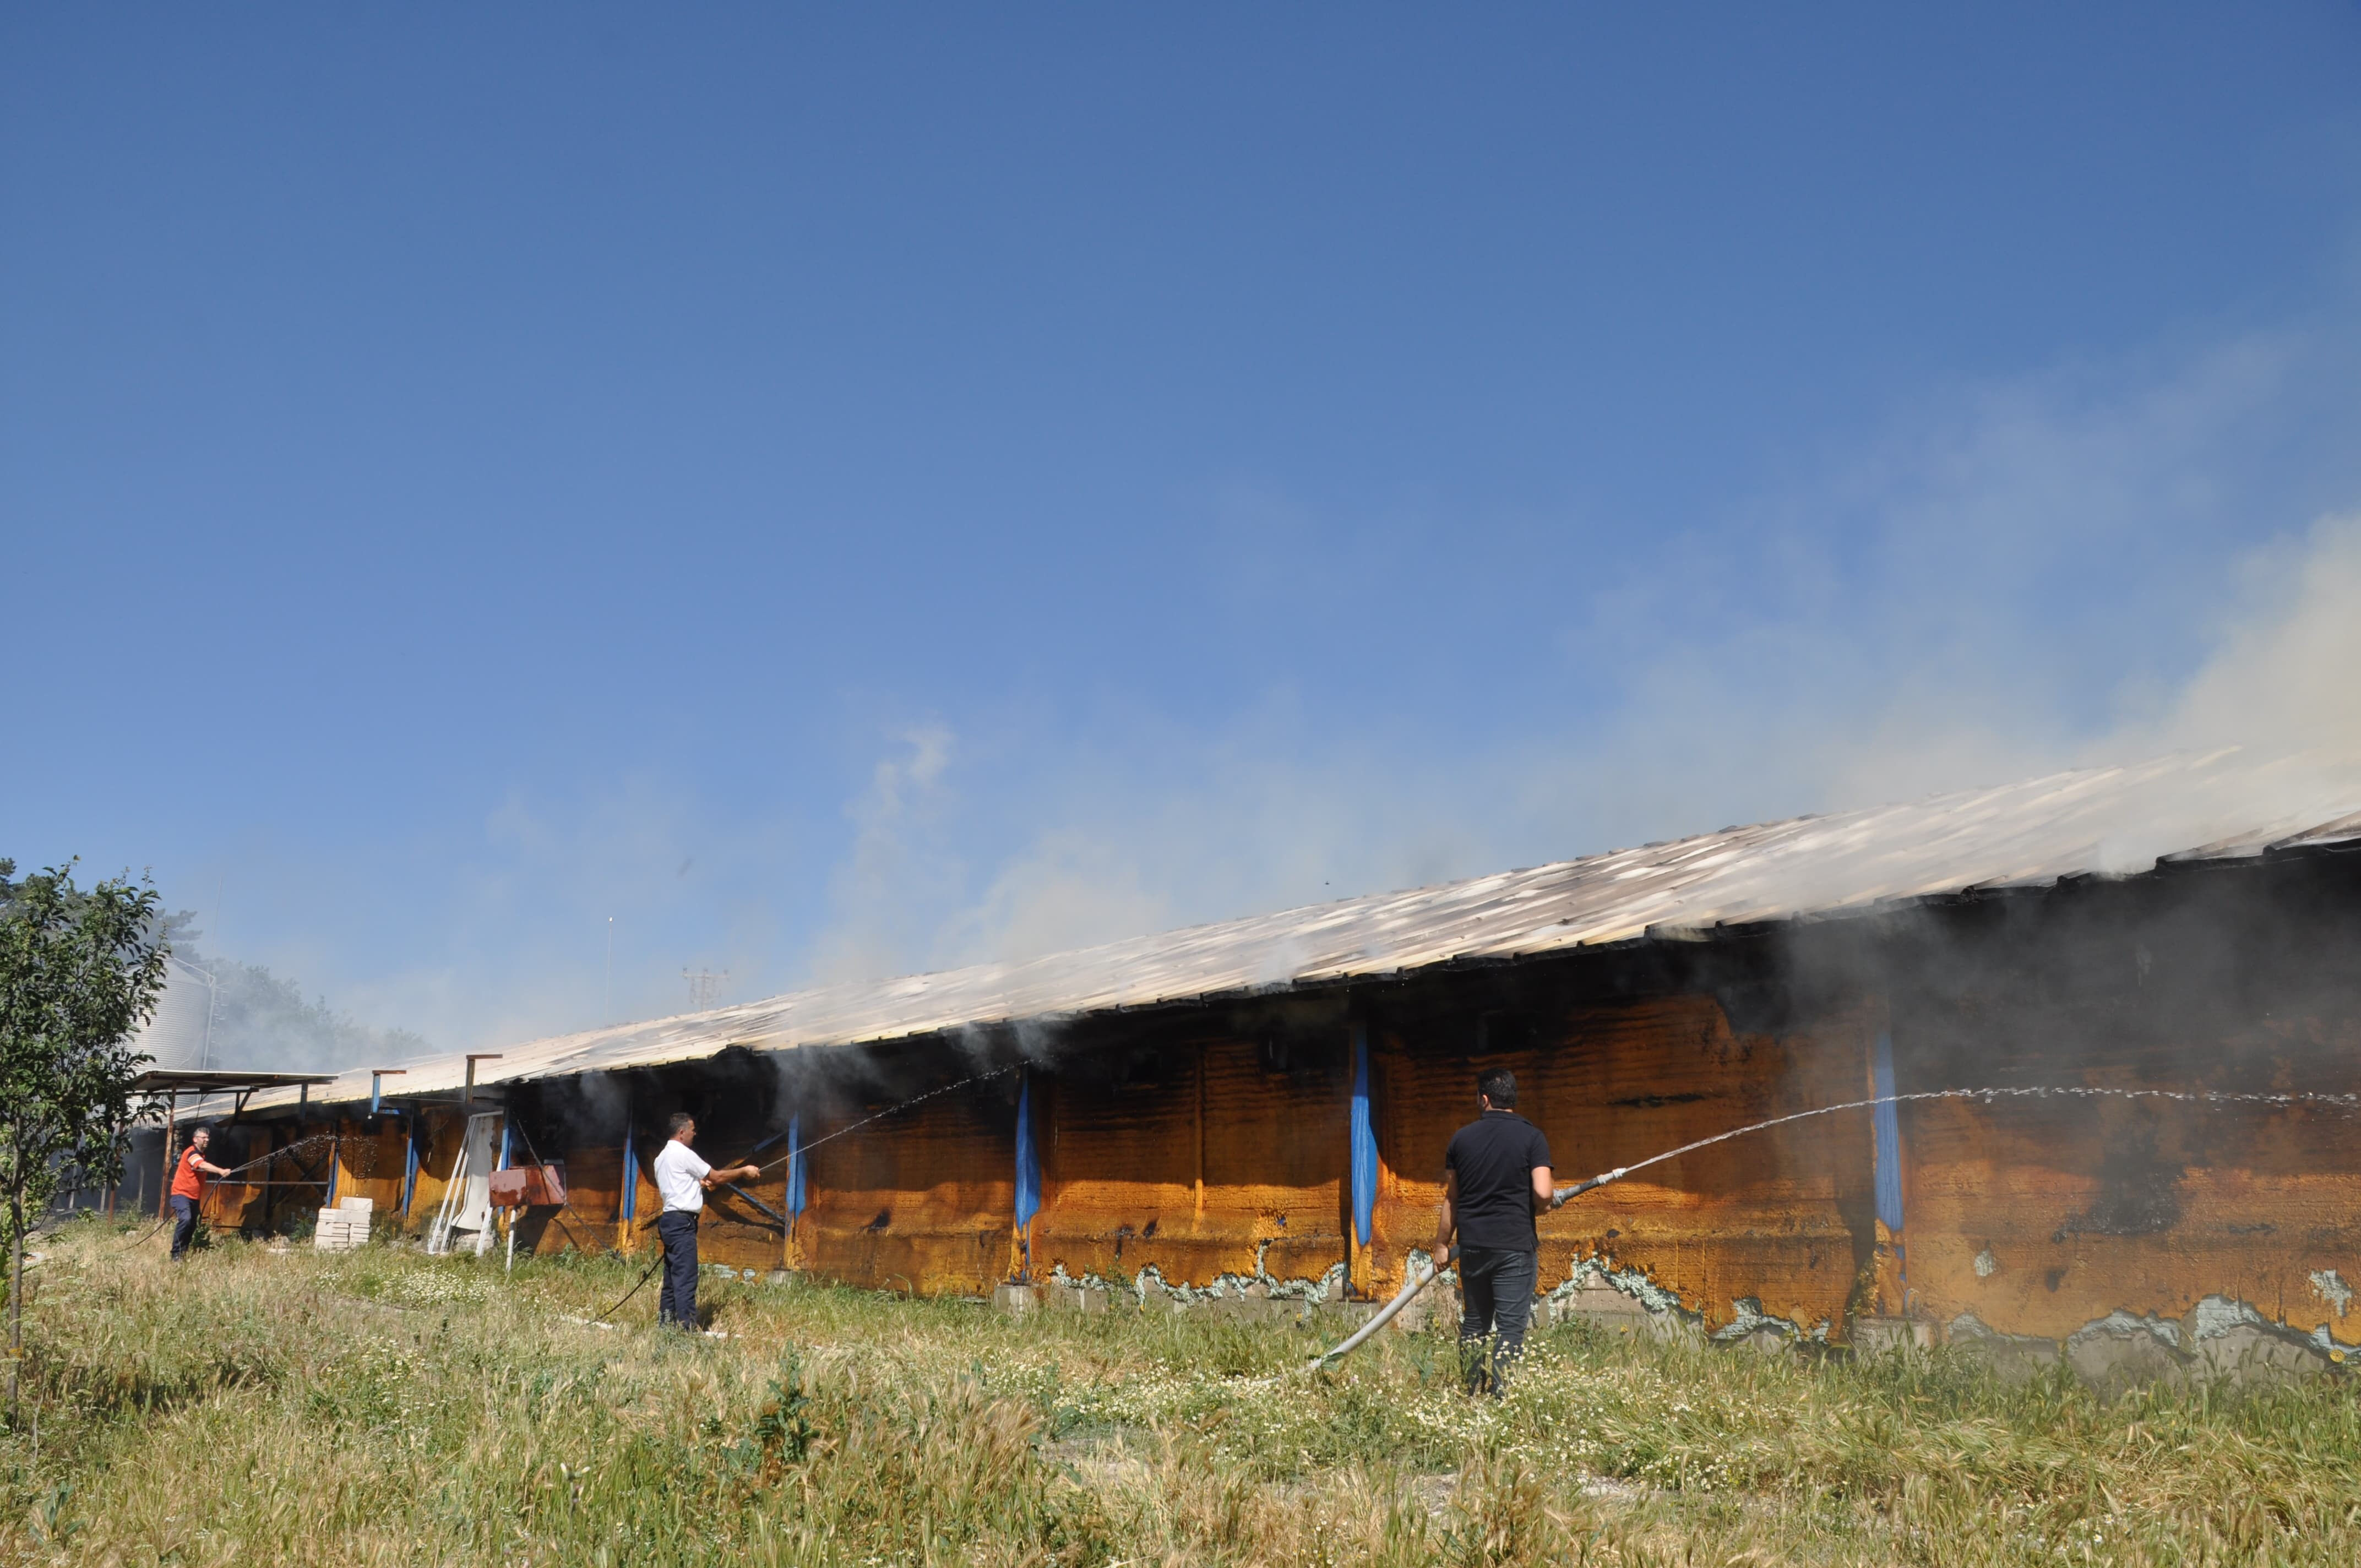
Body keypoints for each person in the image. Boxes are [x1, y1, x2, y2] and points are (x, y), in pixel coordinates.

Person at [1437, 1068, 1564, 1395]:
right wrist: (1543, 1206)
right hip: (1515, 1246)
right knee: (1510, 1329)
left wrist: (1441, 1245)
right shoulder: (1532, 1137)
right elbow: (1543, 1192)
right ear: (1513, 1100)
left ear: (1484, 1099)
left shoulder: (1460, 1139)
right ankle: (1501, 1396)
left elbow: (1452, 1198)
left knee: (1475, 1324)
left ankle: (1470, 1390)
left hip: (1473, 1246)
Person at [650, 1113, 760, 1331]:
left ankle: (665, 1327)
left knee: (672, 1279)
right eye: (692, 1130)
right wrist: (744, 1171)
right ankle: (687, 1330)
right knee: (686, 1278)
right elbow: (717, 1177)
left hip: (669, 1221)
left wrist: (696, 1184)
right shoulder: (684, 1154)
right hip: (683, 1223)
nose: (695, 1133)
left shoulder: (661, 1158)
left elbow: (676, 1186)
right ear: (682, 1133)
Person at [169, 1125, 232, 1261]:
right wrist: (221, 1171)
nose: (207, 1140)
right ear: (195, 1139)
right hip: (181, 1195)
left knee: (192, 1225)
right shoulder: (192, 1153)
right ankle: (176, 1254)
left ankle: (183, 1252)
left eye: (208, 1138)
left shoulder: (200, 1155)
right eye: (204, 1138)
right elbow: (201, 1165)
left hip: (194, 1198)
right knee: (185, 1220)